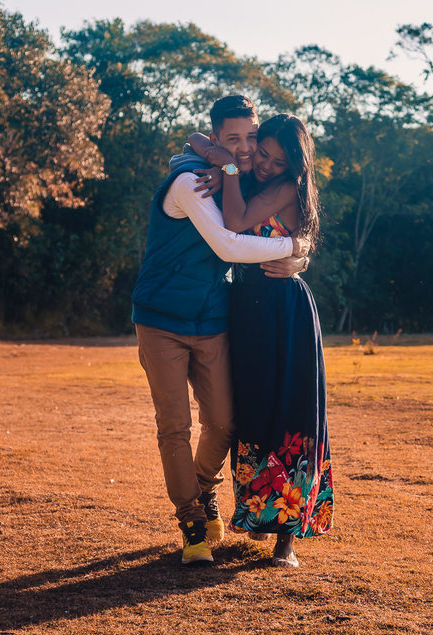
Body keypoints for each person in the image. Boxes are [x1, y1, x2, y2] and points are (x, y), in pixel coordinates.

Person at [132, 96, 310, 566]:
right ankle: (192, 520)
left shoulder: (248, 174)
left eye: (252, 137)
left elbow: (291, 206)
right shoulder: (193, 180)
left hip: (216, 316)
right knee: (175, 426)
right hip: (162, 316)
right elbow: (230, 243)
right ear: (215, 140)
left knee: (226, 423)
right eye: (235, 139)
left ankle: (206, 493)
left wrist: (302, 249)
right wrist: (294, 245)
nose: (249, 148)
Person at [187, 114, 333, 568]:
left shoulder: (284, 187)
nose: (266, 164)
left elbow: (234, 220)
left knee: (288, 415)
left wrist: (228, 168)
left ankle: (287, 539)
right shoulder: (246, 173)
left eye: (277, 160)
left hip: (282, 311)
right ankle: (252, 516)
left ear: (295, 164)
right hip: (245, 309)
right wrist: (223, 159)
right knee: (251, 414)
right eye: (262, 154)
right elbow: (194, 138)